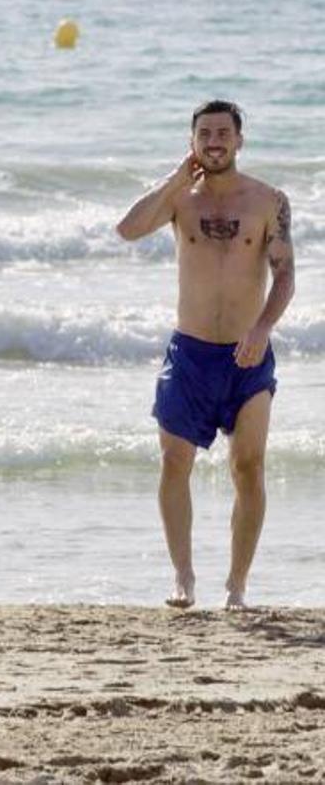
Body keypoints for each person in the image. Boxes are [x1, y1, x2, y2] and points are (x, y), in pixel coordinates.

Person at [116, 100, 294, 611]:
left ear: (240, 140)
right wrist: (175, 180)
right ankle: (183, 577)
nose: (214, 141)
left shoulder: (268, 201)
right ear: (193, 141)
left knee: (249, 467)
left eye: (223, 132)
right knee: (174, 462)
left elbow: (284, 274)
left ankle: (237, 586)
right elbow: (127, 230)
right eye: (204, 134)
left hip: (247, 353)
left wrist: (263, 327)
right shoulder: (181, 201)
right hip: (190, 354)